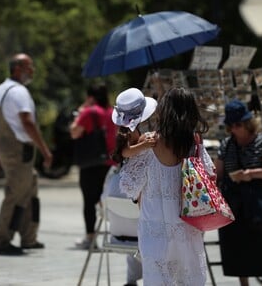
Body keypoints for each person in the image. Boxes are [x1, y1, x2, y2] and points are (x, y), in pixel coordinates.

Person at [119, 87, 212, 285]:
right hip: (187, 225)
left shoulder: (149, 142)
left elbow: (128, 186)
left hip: (154, 226)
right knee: (189, 277)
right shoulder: (195, 143)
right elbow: (209, 176)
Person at [0, 53, 52, 255]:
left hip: (7, 148)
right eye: (29, 66)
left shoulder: (1, 89)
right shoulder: (19, 92)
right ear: (17, 69)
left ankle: (29, 237)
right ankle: (1, 240)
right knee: (15, 194)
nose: (32, 70)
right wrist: (45, 150)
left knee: (31, 188)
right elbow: (27, 122)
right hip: (19, 150)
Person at [215, 99, 262, 286]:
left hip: (260, 204)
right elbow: (218, 174)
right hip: (235, 205)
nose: (235, 129)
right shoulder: (226, 145)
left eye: (238, 124)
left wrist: (251, 174)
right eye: (231, 125)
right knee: (237, 249)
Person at [109, 87, 158, 286]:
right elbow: (126, 152)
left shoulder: (131, 130)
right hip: (134, 193)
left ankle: (134, 279)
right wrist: (145, 145)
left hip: (127, 209)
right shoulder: (125, 132)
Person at [70, 83, 117, 249]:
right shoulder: (113, 112)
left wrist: (82, 110)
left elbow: (74, 132)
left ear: (90, 96)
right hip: (111, 163)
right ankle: (116, 234)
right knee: (106, 200)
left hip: (91, 163)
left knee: (89, 202)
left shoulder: (89, 112)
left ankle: (90, 238)